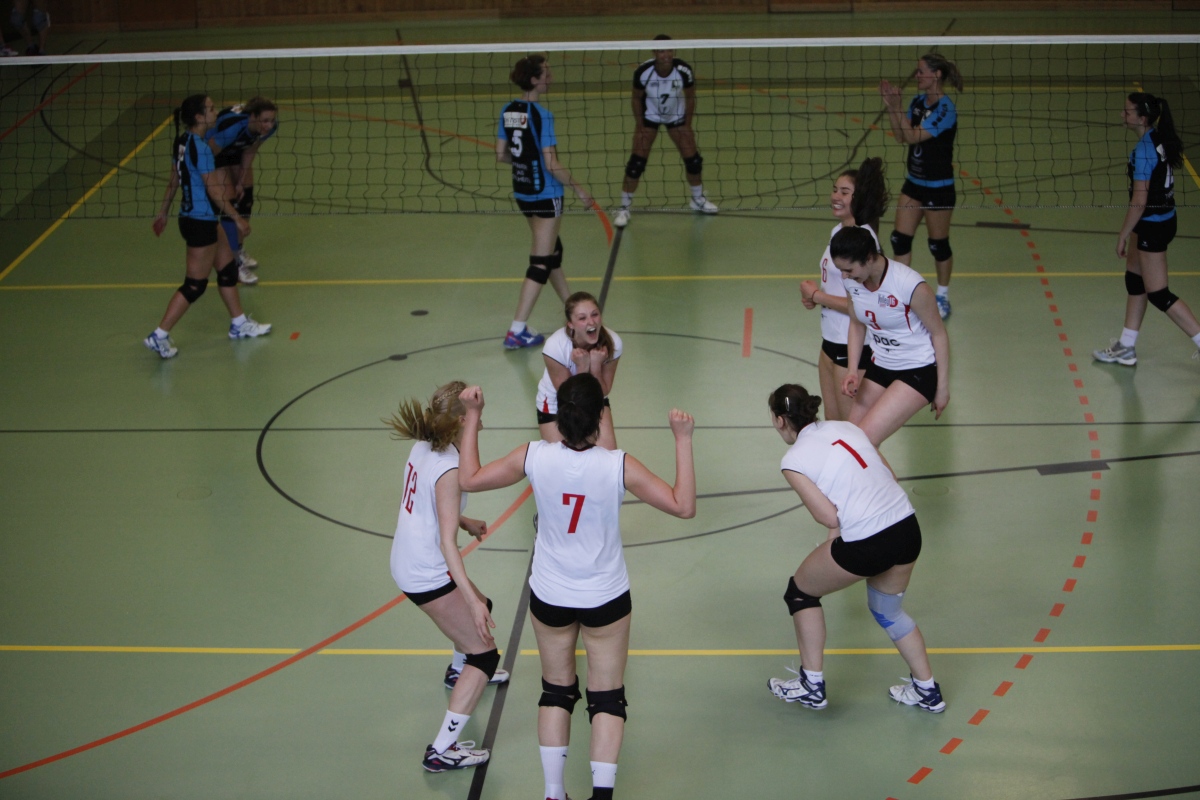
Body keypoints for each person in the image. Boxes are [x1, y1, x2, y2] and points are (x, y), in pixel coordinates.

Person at [457, 375, 695, 800]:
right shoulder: (618, 464)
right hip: (605, 597)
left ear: (557, 416)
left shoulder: (533, 455)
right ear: (600, 416)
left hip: (550, 595)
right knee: (607, 697)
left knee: (556, 690)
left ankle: (553, 793)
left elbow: (469, 479)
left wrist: (472, 415)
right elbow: (684, 505)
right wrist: (682, 439)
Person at [766, 383, 945, 713]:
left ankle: (811, 685)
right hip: (906, 527)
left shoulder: (793, 460)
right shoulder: (848, 428)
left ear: (779, 420)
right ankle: (927, 690)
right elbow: (888, 476)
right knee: (888, 611)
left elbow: (828, 516)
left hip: (868, 540)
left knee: (800, 593)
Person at [386, 381, 511, 773]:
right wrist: (470, 601)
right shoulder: (451, 468)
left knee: (484, 604)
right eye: (474, 414)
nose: (480, 419)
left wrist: (464, 519)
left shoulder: (425, 446)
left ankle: (458, 670)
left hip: (407, 559)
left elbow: (430, 505)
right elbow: (445, 543)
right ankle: (442, 750)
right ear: (460, 422)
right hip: (426, 572)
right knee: (485, 654)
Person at [144, 94, 270, 359]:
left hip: (197, 217)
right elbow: (214, 190)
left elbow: (174, 180)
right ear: (199, 117)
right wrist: (237, 218)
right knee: (195, 285)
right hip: (199, 221)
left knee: (227, 270)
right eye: (211, 109)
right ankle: (159, 335)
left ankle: (239, 323)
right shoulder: (201, 149)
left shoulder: (182, 142)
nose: (216, 112)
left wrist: (163, 212)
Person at [1093, 92, 1200, 366]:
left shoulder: (1144, 151)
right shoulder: (1157, 137)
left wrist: (1122, 234)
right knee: (1134, 279)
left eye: (1127, 111)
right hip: (1158, 218)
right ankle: (1127, 346)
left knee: (1159, 294)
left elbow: (1139, 202)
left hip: (1153, 224)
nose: (1122, 115)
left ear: (1142, 118)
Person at [497, 54, 594, 350]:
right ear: (534, 79)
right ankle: (516, 330)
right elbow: (551, 163)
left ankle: (572, 310)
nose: (550, 78)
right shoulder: (542, 115)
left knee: (552, 252)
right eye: (546, 74)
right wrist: (579, 189)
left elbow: (501, 154)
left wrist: (526, 163)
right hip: (547, 194)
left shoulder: (509, 111)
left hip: (523, 191)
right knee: (540, 263)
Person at [833, 226, 948, 447]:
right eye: (841, 270)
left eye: (848, 269)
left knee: (864, 442)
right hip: (881, 364)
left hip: (917, 369)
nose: (845, 276)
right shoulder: (851, 281)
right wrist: (852, 370)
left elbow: (939, 333)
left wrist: (942, 388)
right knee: (849, 441)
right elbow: (856, 324)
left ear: (868, 258)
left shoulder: (909, 284)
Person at [799, 157, 889, 421]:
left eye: (845, 192)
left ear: (858, 199)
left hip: (852, 346)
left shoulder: (863, 241)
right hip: (830, 340)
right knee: (833, 425)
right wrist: (817, 298)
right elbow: (838, 287)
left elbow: (859, 306)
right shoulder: (839, 231)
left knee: (854, 433)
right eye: (835, 189)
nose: (836, 196)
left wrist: (816, 296)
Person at [880, 52, 963, 319]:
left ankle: (942, 296)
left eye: (921, 71)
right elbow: (900, 137)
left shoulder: (946, 110)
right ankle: (901, 295)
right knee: (899, 239)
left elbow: (915, 136)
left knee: (938, 245)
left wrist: (897, 108)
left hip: (939, 186)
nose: (917, 76)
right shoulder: (917, 102)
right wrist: (892, 107)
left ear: (936, 75)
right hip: (914, 183)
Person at [611, 34, 718, 228]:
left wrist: (687, 123)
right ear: (654, 53)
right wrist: (640, 124)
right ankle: (624, 208)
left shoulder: (683, 70)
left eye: (669, 50)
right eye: (661, 51)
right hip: (650, 116)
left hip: (676, 117)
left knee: (694, 161)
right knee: (636, 164)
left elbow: (690, 96)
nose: (666, 55)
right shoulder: (643, 71)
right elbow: (636, 98)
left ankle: (698, 199)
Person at [204, 96, 278, 285]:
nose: (269, 125)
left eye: (272, 120)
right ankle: (233, 263)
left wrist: (241, 180)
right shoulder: (233, 127)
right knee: (230, 204)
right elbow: (208, 153)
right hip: (215, 150)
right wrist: (209, 182)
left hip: (238, 148)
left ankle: (237, 247)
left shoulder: (268, 128)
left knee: (246, 197)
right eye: (265, 121)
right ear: (253, 116)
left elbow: (250, 150)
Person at [536, 292, 623, 450]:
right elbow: (569, 396)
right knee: (561, 459)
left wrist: (595, 366)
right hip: (558, 403)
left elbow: (604, 390)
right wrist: (583, 367)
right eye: (582, 318)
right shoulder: (555, 346)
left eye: (595, 314)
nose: (591, 322)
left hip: (594, 398)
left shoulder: (613, 343)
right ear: (570, 324)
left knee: (607, 455)